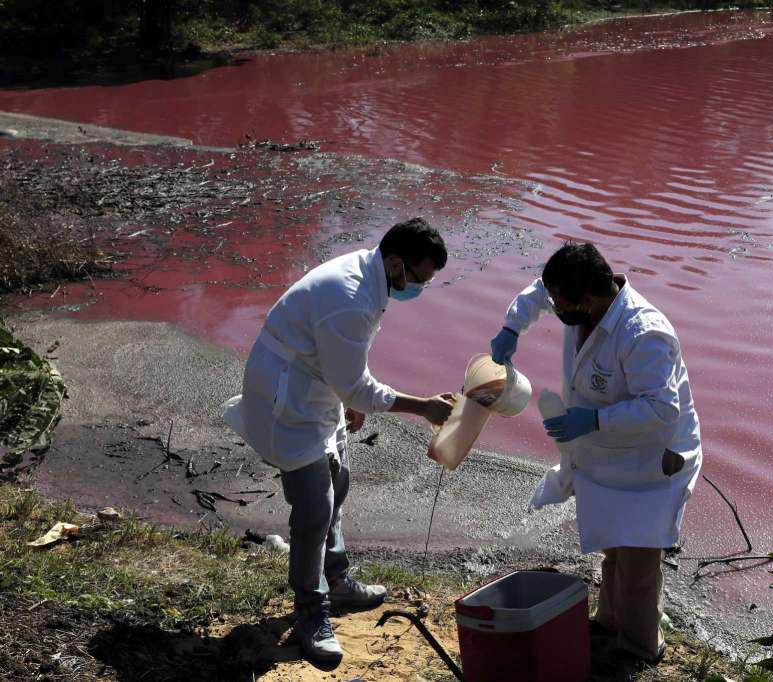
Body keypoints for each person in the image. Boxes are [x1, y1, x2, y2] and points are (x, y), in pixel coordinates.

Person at [222, 218, 456, 664]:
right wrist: (423, 406)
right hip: (286, 397)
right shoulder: (350, 296)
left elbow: (348, 371)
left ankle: (338, 577)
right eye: (420, 278)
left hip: (317, 385)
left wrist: (350, 392)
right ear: (395, 263)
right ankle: (312, 610)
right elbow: (355, 382)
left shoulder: (371, 278)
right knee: (314, 507)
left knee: (339, 481)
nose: (420, 288)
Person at [489, 242, 702, 663]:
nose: (556, 309)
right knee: (612, 544)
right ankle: (608, 623)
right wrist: (513, 326)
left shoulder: (644, 333)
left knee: (639, 565)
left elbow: (661, 410)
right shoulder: (580, 300)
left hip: (651, 465)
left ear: (586, 301)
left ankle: (639, 650)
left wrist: (594, 420)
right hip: (607, 456)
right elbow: (538, 294)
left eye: (562, 304)